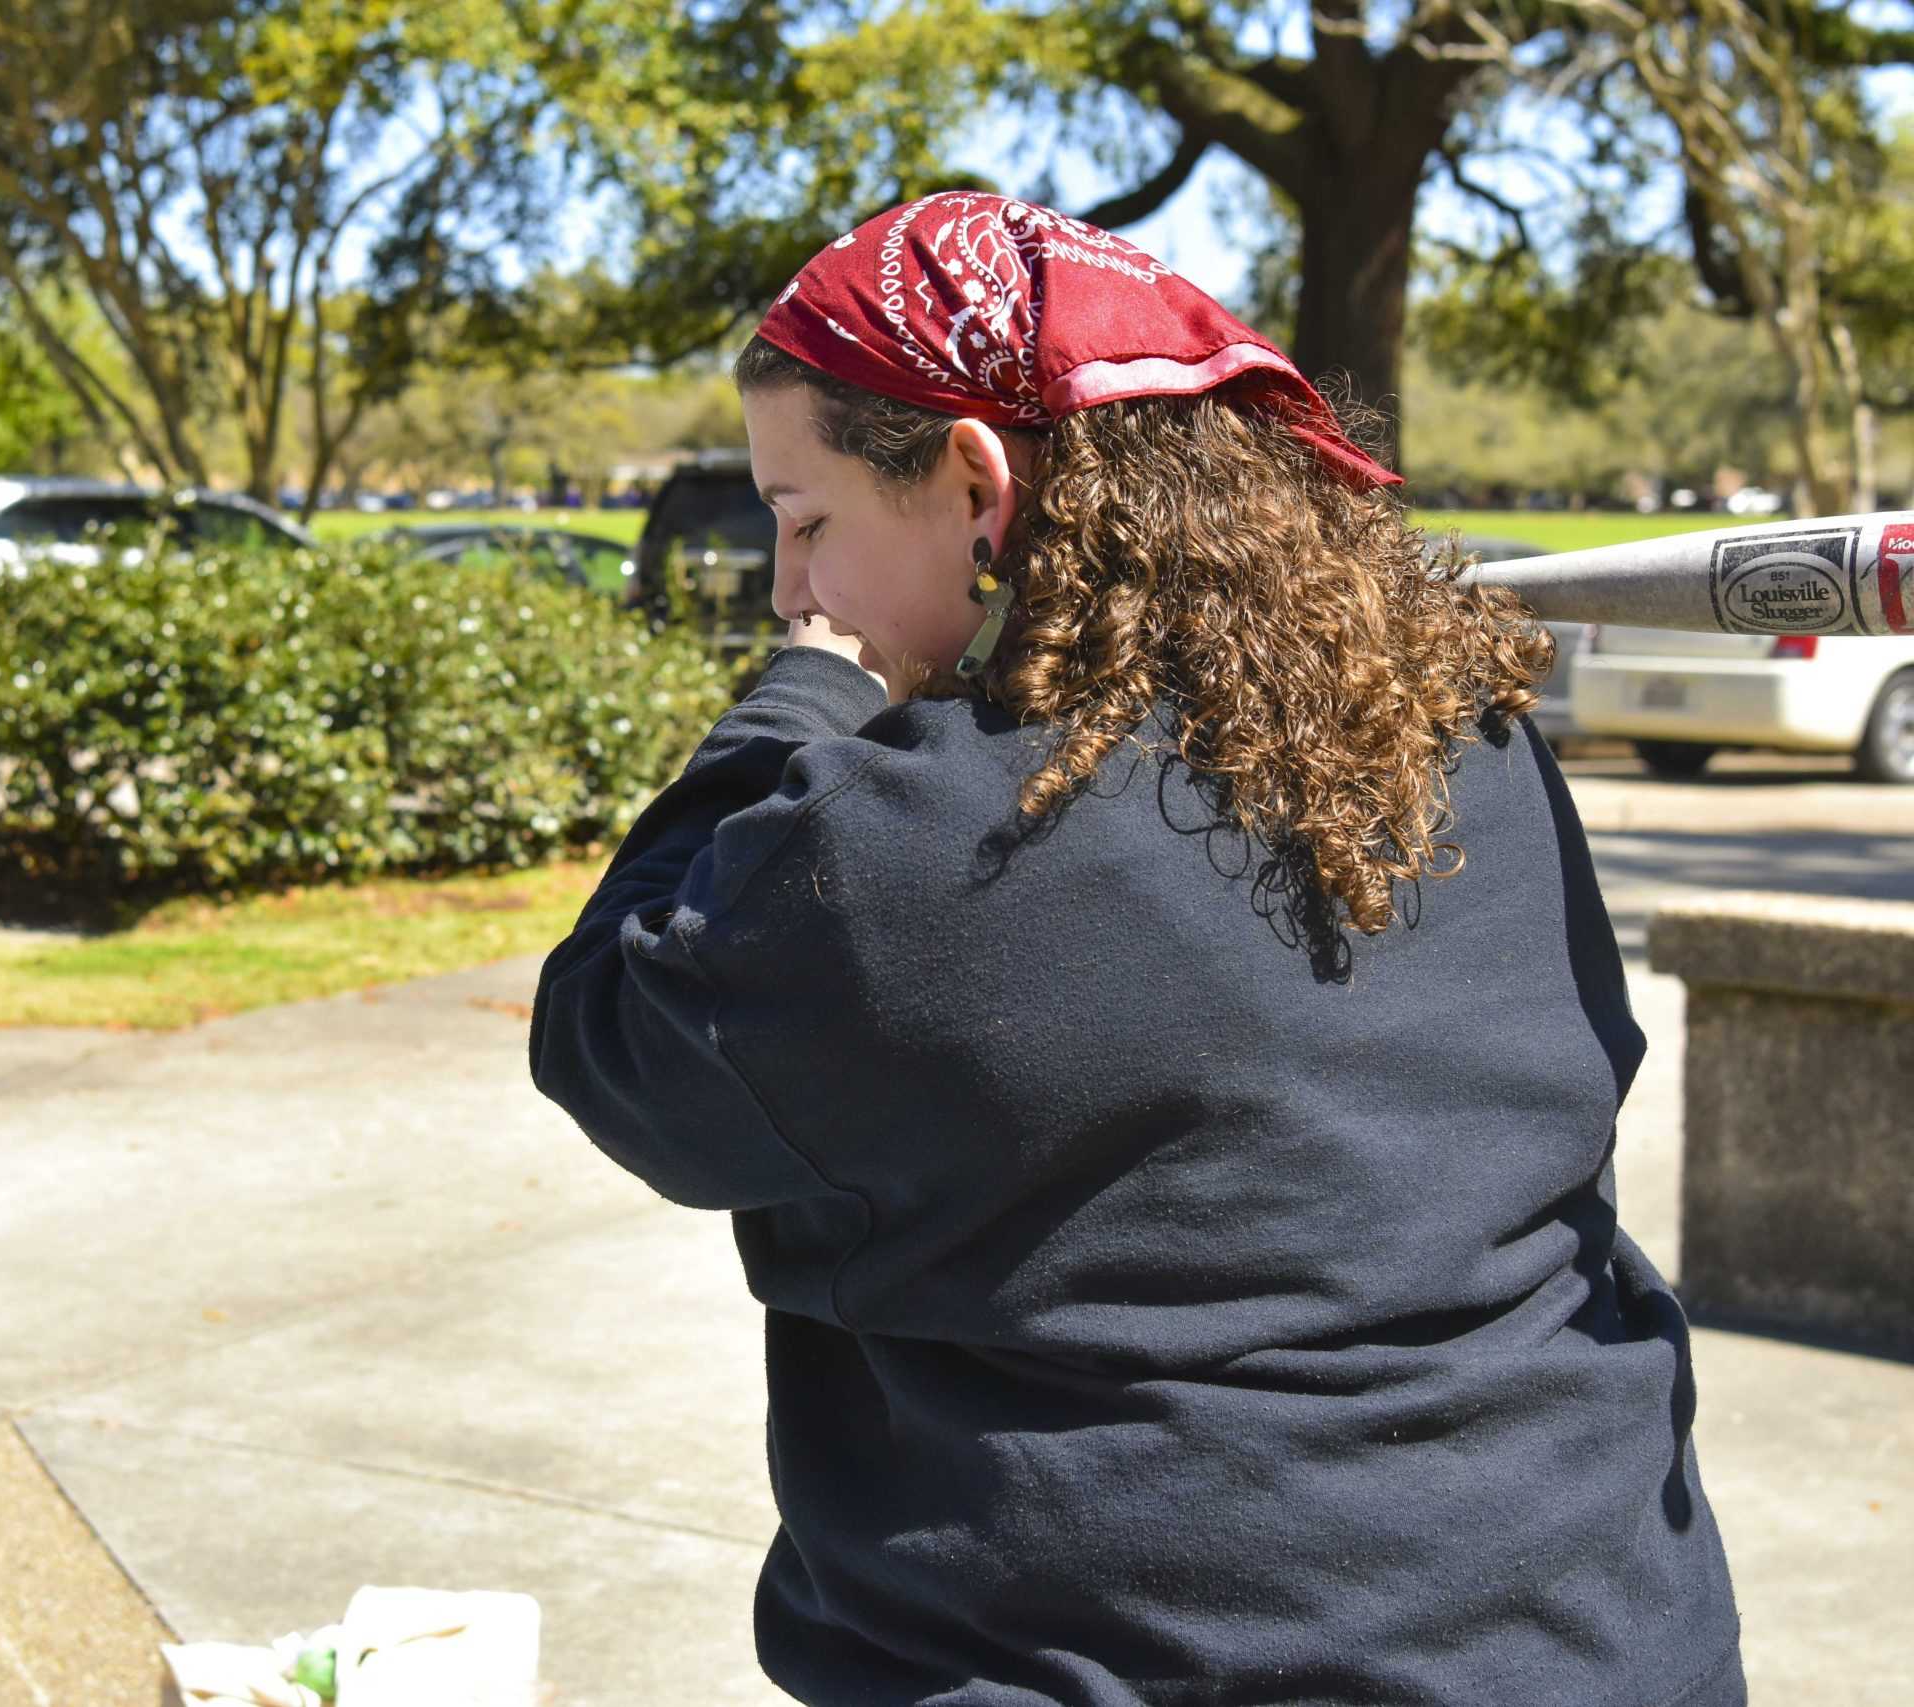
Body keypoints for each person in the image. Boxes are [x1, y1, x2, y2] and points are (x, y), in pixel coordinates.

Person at [528, 192, 1744, 1706]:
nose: (791, 589)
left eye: (806, 521)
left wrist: (796, 701)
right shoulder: (1462, 740)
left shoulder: (915, 845)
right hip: (1601, 1628)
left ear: (977, 485)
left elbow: (604, 1030)